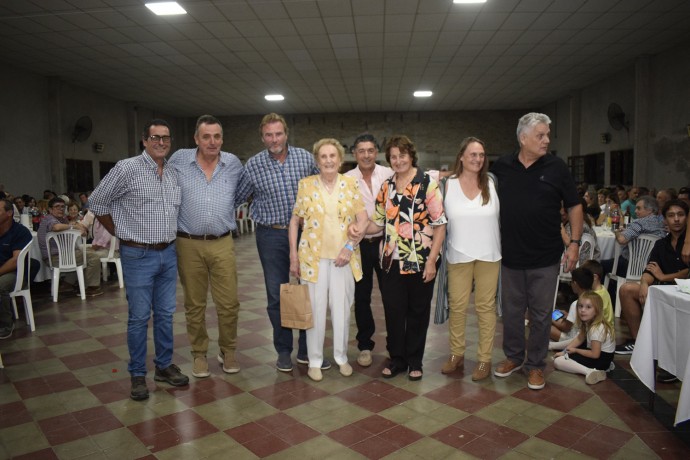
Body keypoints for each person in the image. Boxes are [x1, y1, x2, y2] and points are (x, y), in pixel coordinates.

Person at [89, 119, 189, 401]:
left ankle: (164, 366)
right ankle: (136, 374)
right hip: (137, 254)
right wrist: (119, 232)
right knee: (139, 317)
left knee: (166, 314)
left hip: (168, 252)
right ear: (144, 141)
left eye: (166, 138)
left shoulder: (172, 173)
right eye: (155, 138)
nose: (161, 142)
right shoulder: (127, 168)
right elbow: (97, 202)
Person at [490, 112, 583, 390]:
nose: (547, 140)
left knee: (542, 314)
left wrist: (575, 243)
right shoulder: (503, 166)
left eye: (547, 135)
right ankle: (514, 357)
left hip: (545, 255)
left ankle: (535, 365)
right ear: (523, 138)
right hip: (510, 255)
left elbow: (575, 206)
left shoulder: (557, 167)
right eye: (541, 135)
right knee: (512, 312)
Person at [235, 113, 326, 372]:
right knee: (277, 294)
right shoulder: (253, 165)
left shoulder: (305, 159)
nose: (274, 139)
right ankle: (284, 350)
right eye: (268, 135)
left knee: (309, 291)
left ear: (286, 134)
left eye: (278, 134)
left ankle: (308, 350)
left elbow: (323, 187)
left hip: (306, 234)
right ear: (262, 137)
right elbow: (238, 197)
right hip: (271, 235)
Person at [355, 135, 447, 381]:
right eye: (393, 157)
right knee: (394, 311)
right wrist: (358, 231)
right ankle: (397, 358)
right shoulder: (387, 186)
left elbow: (440, 225)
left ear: (411, 156)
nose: (398, 161)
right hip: (391, 261)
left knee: (417, 312)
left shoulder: (426, 183)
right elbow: (377, 222)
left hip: (420, 260)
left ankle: (415, 360)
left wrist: (431, 261)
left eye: (402, 155)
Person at [169, 115, 243, 378]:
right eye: (206, 137)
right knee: (194, 303)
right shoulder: (178, 160)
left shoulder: (233, 163)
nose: (212, 142)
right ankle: (199, 354)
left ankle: (228, 350)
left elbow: (242, 193)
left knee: (229, 302)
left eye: (217, 137)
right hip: (188, 243)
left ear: (222, 138)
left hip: (222, 241)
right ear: (196, 139)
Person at [289, 138, 367, 382]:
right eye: (323, 156)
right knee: (315, 310)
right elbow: (295, 221)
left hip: (343, 258)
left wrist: (349, 245)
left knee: (342, 310)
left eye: (333, 156)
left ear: (340, 160)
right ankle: (314, 360)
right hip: (313, 260)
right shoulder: (306, 185)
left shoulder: (351, 184)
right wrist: (293, 254)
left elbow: (363, 219)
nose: (329, 160)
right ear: (317, 161)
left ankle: (341, 357)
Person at [440, 137, 501, 381]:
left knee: (486, 308)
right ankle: (456, 354)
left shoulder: (492, 181)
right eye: (473, 154)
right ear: (462, 157)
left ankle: (484, 359)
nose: (477, 159)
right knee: (457, 307)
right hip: (458, 254)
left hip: (489, 254)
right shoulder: (447, 184)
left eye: (481, 155)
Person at [615, 199, 689, 356]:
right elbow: (650, 269)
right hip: (664, 289)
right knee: (627, 289)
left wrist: (663, 276)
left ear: (687, 217)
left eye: (680, 215)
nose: (676, 219)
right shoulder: (661, 244)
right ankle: (637, 342)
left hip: (684, 290)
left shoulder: (688, 243)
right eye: (671, 215)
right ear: (665, 219)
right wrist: (643, 282)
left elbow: (687, 272)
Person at [344, 133, 393, 367]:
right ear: (355, 153)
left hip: (386, 243)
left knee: (392, 295)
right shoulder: (346, 179)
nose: (366, 155)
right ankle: (365, 345)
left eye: (370, 150)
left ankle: (395, 344)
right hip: (359, 247)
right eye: (361, 150)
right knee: (361, 297)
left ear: (377, 152)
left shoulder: (388, 174)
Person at [37, 197, 103, 297]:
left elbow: (82, 232)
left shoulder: (62, 219)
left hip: (65, 255)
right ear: (50, 209)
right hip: (55, 257)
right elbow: (56, 227)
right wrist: (74, 226)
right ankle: (92, 288)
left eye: (63, 207)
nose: (61, 209)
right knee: (93, 256)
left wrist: (77, 226)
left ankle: (67, 284)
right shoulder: (49, 219)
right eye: (57, 207)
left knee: (83, 253)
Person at [553, 291, 615, 385]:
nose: (582, 310)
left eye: (588, 307)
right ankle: (551, 346)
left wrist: (576, 350)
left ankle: (590, 371)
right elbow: (579, 339)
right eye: (580, 306)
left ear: (597, 310)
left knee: (558, 362)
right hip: (602, 355)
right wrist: (564, 351)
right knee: (575, 341)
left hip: (601, 359)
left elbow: (595, 354)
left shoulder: (596, 329)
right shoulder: (588, 322)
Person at [0, 199, 33, 339]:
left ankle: (6, 325)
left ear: (9, 213)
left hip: (15, 273)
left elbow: (15, 261)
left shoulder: (20, 232)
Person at [549, 267, 594, 350]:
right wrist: (568, 315)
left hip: (573, 340)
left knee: (546, 326)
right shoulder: (596, 299)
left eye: (571, 282)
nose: (570, 284)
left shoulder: (577, 303)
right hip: (589, 338)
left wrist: (549, 317)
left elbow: (565, 327)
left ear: (575, 284)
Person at [560, 199, 600, 266]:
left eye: (563, 215)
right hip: (591, 263)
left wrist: (560, 225)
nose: (561, 218)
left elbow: (568, 242)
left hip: (579, 264)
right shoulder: (585, 220)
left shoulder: (575, 225)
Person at [580, 260, 614, 329]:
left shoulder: (595, 296)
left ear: (595, 277)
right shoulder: (602, 288)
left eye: (585, 277)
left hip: (600, 331)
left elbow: (590, 318)